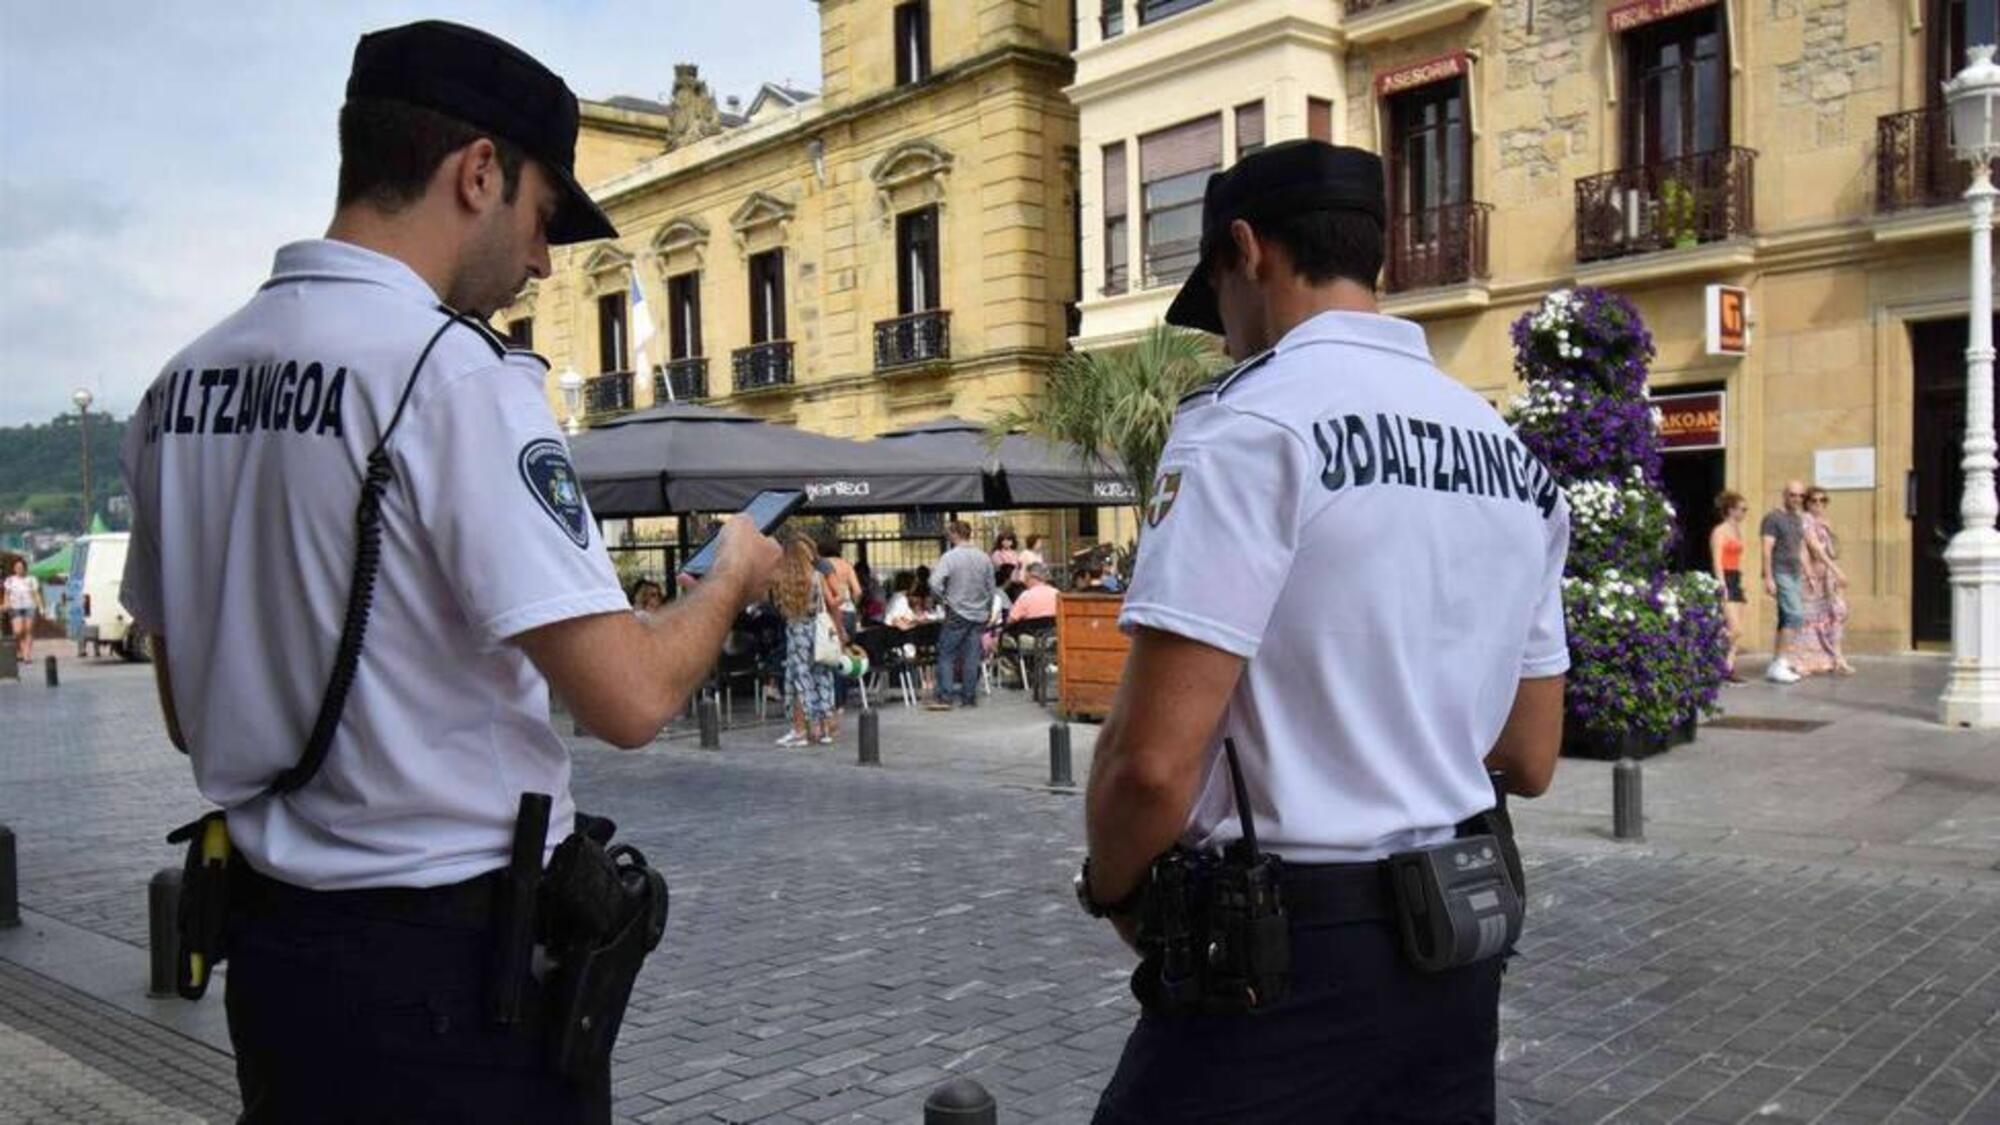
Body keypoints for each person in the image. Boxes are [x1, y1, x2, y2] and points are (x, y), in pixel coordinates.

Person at [114, 22, 783, 1122]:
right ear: (478, 172)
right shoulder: (456, 376)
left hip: (274, 963)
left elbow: (193, 716)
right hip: (446, 984)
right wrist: (730, 576)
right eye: (541, 216)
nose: (541, 260)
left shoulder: (177, 388)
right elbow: (629, 696)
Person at [1077, 141, 1569, 1124]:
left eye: (1213, 296)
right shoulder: (1510, 456)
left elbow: (1148, 767)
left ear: (1246, 252)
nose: (1220, 337)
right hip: (1454, 937)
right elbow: (1530, 752)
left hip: (1281, 948)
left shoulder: (1249, 427)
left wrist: (1116, 888)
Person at [775, 537, 841, 746]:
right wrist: (842, 596)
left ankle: (800, 730)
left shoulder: (782, 580)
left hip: (796, 632)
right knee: (821, 675)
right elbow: (833, 601)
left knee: (800, 680)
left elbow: (779, 607)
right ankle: (824, 729)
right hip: (817, 631)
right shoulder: (817, 577)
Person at [926, 520, 996, 710]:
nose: (948, 536)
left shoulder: (950, 557)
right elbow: (992, 588)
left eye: (949, 533)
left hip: (957, 611)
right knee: (972, 656)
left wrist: (944, 599)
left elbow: (934, 582)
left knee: (946, 653)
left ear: (955, 534)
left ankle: (945, 696)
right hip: (979, 613)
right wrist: (987, 608)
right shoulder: (984, 557)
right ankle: (969, 698)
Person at [1792, 488, 1854, 676]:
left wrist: (1833, 570)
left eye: (1823, 500)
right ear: (1807, 503)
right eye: (1814, 500)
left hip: (1827, 575)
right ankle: (1804, 661)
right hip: (1811, 576)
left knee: (1836, 613)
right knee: (1809, 619)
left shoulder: (1824, 523)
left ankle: (1837, 656)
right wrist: (1837, 570)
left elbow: (1832, 550)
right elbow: (1815, 549)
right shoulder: (1804, 520)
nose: (1818, 504)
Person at [1760, 481, 1809, 684]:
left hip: (1795, 573)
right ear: (1784, 495)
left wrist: (1807, 572)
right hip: (1781, 572)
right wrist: (1768, 577)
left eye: (1800, 496)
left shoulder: (1797, 519)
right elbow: (1766, 549)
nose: (1796, 499)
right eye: (1792, 495)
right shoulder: (1773, 518)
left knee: (1785, 618)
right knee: (1795, 615)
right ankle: (1780, 662)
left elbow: (1800, 548)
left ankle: (1777, 664)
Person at [1709, 491, 1749, 683]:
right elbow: (1717, 560)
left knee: (1737, 631)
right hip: (1725, 577)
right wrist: (1722, 584)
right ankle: (1710, 652)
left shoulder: (1737, 531)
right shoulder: (1720, 531)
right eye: (1742, 509)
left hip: (1735, 578)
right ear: (1731, 510)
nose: (1744, 513)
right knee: (1735, 629)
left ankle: (1728, 668)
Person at [6, 557, 43, 663]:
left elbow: (36, 594)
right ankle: (19, 650)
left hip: (30, 606)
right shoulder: (10, 580)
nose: (19, 569)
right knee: (18, 631)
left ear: (25, 568)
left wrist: (41, 607)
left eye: (21, 567)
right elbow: (7, 594)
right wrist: (7, 603)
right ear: (14, 568)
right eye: (17, 567)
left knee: (28, 630)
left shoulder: (32, 579)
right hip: (15, 607)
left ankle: (27, 655)